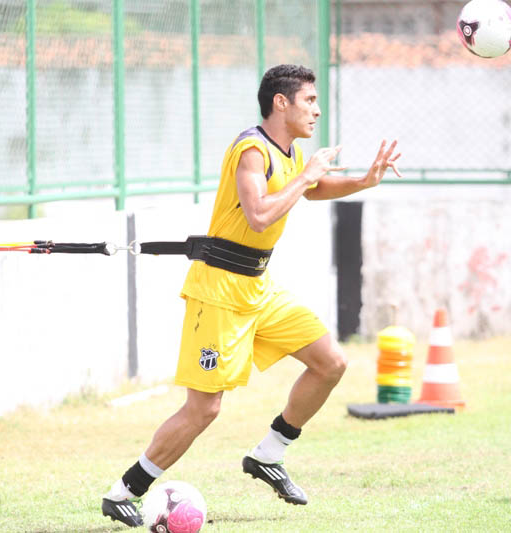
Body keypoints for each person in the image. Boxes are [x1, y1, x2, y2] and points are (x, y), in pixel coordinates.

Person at [101, 64, 401, 527]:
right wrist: (306, 178)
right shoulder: (251, 149)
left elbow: (314, 189)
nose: (317, 111)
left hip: (258, 288)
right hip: (219, 291)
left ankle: (268, 454)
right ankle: (123, 492)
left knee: (330, 363)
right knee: (205, 408)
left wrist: (366, 179)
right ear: (281, 102)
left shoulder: (288, 153)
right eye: (309, 101)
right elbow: (260, 214)